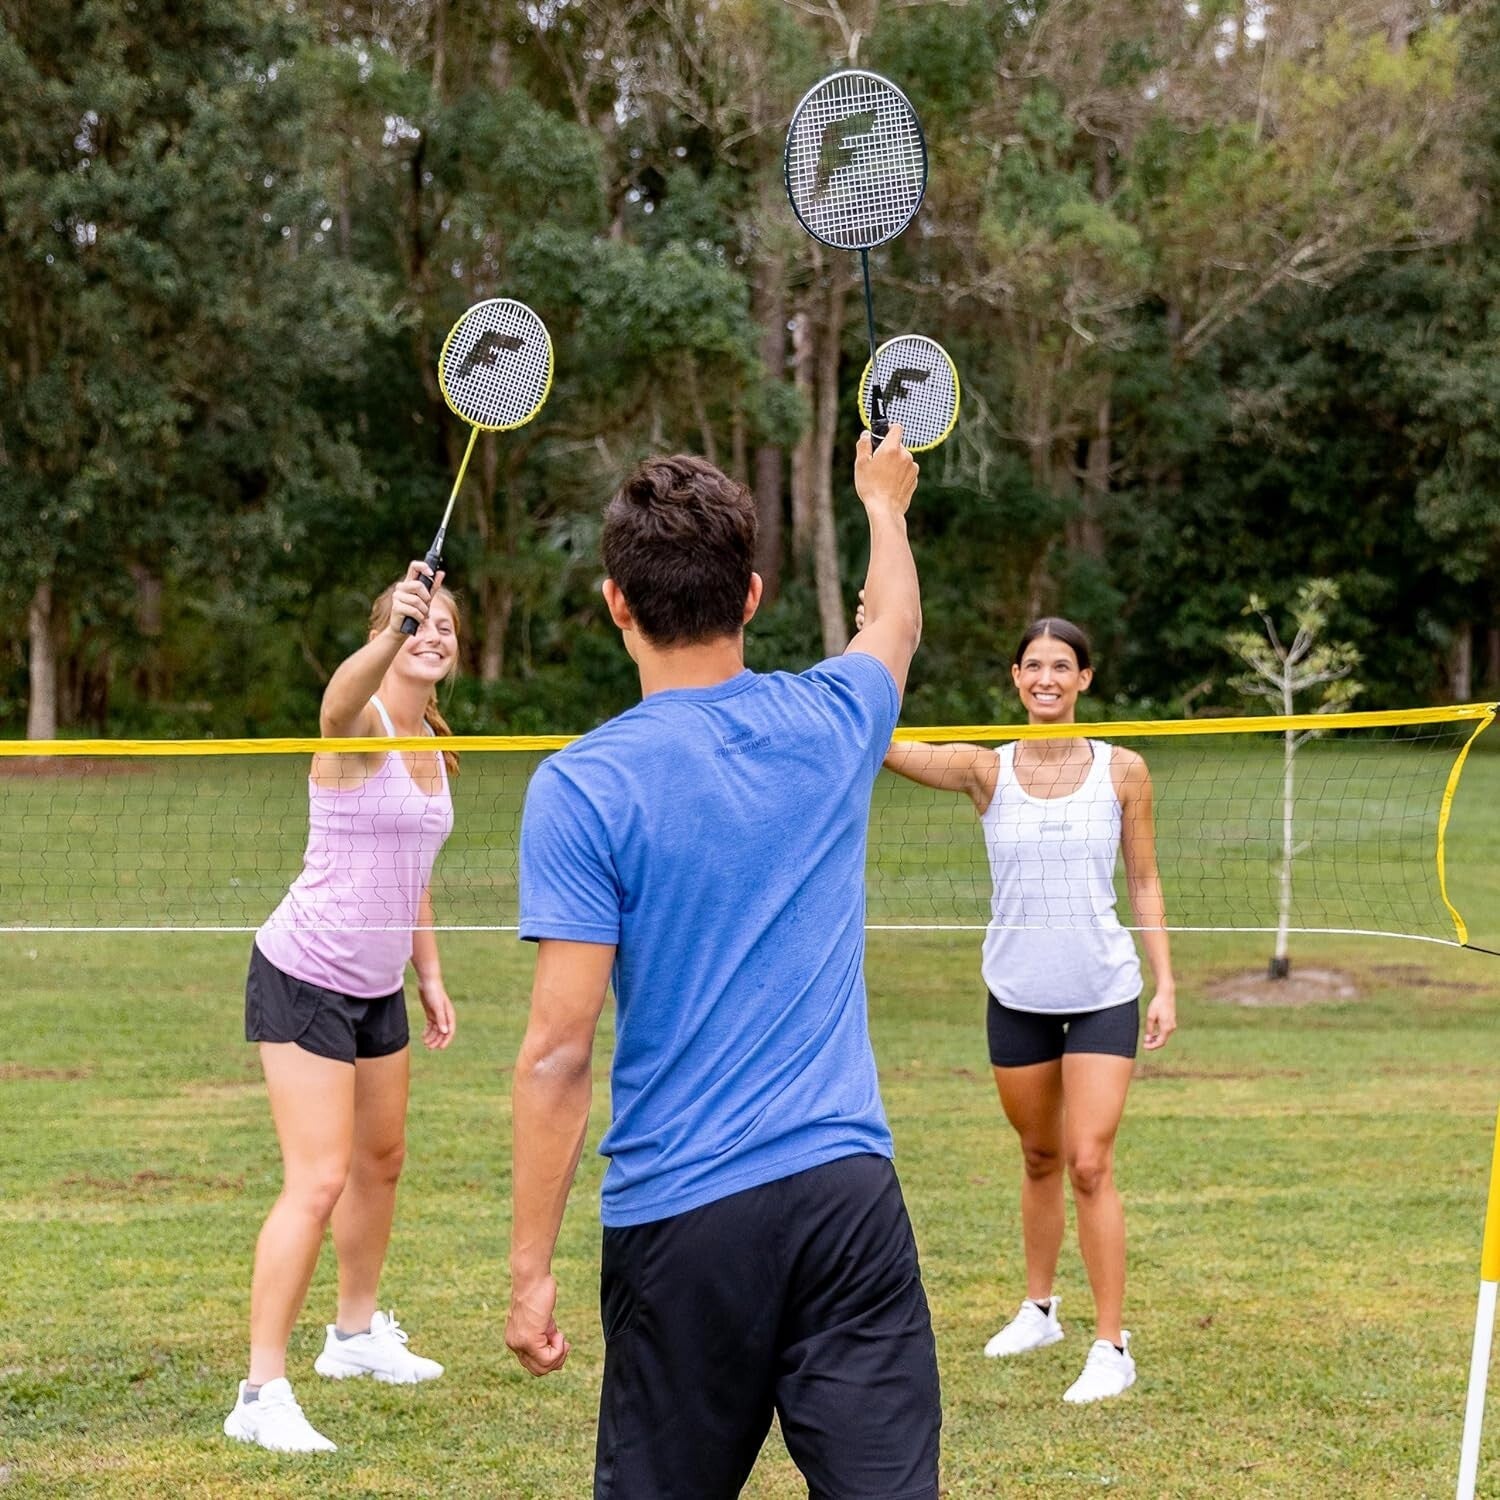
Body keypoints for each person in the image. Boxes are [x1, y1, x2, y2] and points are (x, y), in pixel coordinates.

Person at [506, 426, 941, 1499]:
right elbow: (892, 622)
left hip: (683, 1222)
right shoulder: (831, 716)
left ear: (616, 603)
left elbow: (559, 1055)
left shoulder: (581, 786)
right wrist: (883, 502)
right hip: (847, 1200)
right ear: (750, 596)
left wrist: (529, 1270)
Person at [876, 615, 1176, 1404]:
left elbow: (1143, 881)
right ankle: (1040, 1308)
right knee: (1039, 1157)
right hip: (1017, 994)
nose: (1046, 677)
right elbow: (882, 743)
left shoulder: (1124, 771)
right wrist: (876, 643)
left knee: (1088, 1161)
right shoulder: (986, 771)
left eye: (1062, 666)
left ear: (1085, 679)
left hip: (1104, 990)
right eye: (1032, 666)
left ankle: (1112, 1345)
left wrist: (1166, 981)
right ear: (1015, 679)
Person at [223, 563, 459, 1454]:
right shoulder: (363, 728)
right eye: (421, 623)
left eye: (446, 628)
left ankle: (353, 1338)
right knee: (316, 1180)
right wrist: (388, 632)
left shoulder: (433, 740)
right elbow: (332, 704)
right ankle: (260, 1391)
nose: (435, 636)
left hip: (377, 984)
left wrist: (427, 972)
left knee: (382, 1160)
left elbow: (415, 875)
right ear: (393, 628)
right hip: (304, 973)